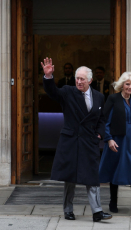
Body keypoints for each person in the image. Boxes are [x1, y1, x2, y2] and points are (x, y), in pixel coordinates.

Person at [41, 57, 112, 222]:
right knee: (70, 177)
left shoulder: (99, 96)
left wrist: (100, 134)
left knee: (92, 176)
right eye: (77, 78)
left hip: (89, 141)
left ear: (90, 80)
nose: (79, 81)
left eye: (82, 79)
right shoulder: (68, 92)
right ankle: (68, 210)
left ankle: (97, 212)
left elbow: (102, 118)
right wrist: (48, 77)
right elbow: (53, 92)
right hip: (71, 140)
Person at [99, 72, 131, 216]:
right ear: (122, 85)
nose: (130, 87)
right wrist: (109, 139)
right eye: (127, 84)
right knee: (115, 168)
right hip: (117, 139)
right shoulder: (113, 99)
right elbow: (106, 121)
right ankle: (113, 201)